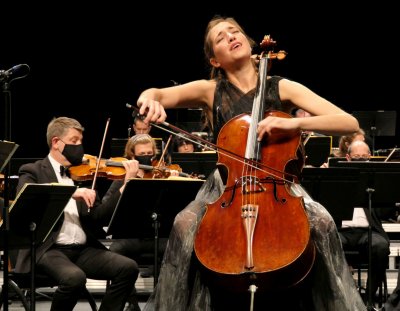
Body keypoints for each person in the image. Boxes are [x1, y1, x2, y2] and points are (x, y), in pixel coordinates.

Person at [136, 16, 364, 310]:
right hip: (225, 187)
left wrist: (292, 126)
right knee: (183, 224)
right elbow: (156, 93)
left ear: (249, 41)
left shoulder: (282, 87)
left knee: (322, 223)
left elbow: (349, 123)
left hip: (276, 184)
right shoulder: (210, 90)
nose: (231, 37)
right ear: (214, 60)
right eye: (221, 38)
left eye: (235, 31)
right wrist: (150, 99)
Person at [14, 116, 140, 311]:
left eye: (81, 141)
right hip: (47, 249)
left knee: (128, 267)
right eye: (74, 141)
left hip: (82, 250)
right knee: (75, 278)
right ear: (56, 142)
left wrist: (126, 185)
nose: (80, 147)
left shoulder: (81, 174)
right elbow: (29, 196)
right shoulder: (33, 170)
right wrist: (71, 193)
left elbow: (99, 217)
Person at [104, 133, 178, 311]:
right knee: (115, 250)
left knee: (177, 250)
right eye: (141, 154)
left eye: (149, 153)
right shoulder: (122, 177)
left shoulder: (161, 175)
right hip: (129, 237)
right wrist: (127, 182)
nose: (146, 157)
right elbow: (107, 207)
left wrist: (174, 181)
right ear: (132, 156)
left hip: (158, 235)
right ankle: (130, 302)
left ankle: (166, 301)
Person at [338, 140, 390, 304]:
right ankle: (338, 296)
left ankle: (367, 299)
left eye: (363, 157)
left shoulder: (375, 180)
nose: (360, 160)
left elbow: (385, 211)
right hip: (341, 231)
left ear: (370, 157)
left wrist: (383, 188)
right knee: (325, 244)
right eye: (356, 157)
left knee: (380, 246)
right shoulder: (337, 177)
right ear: (347, 157)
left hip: (367, 232)